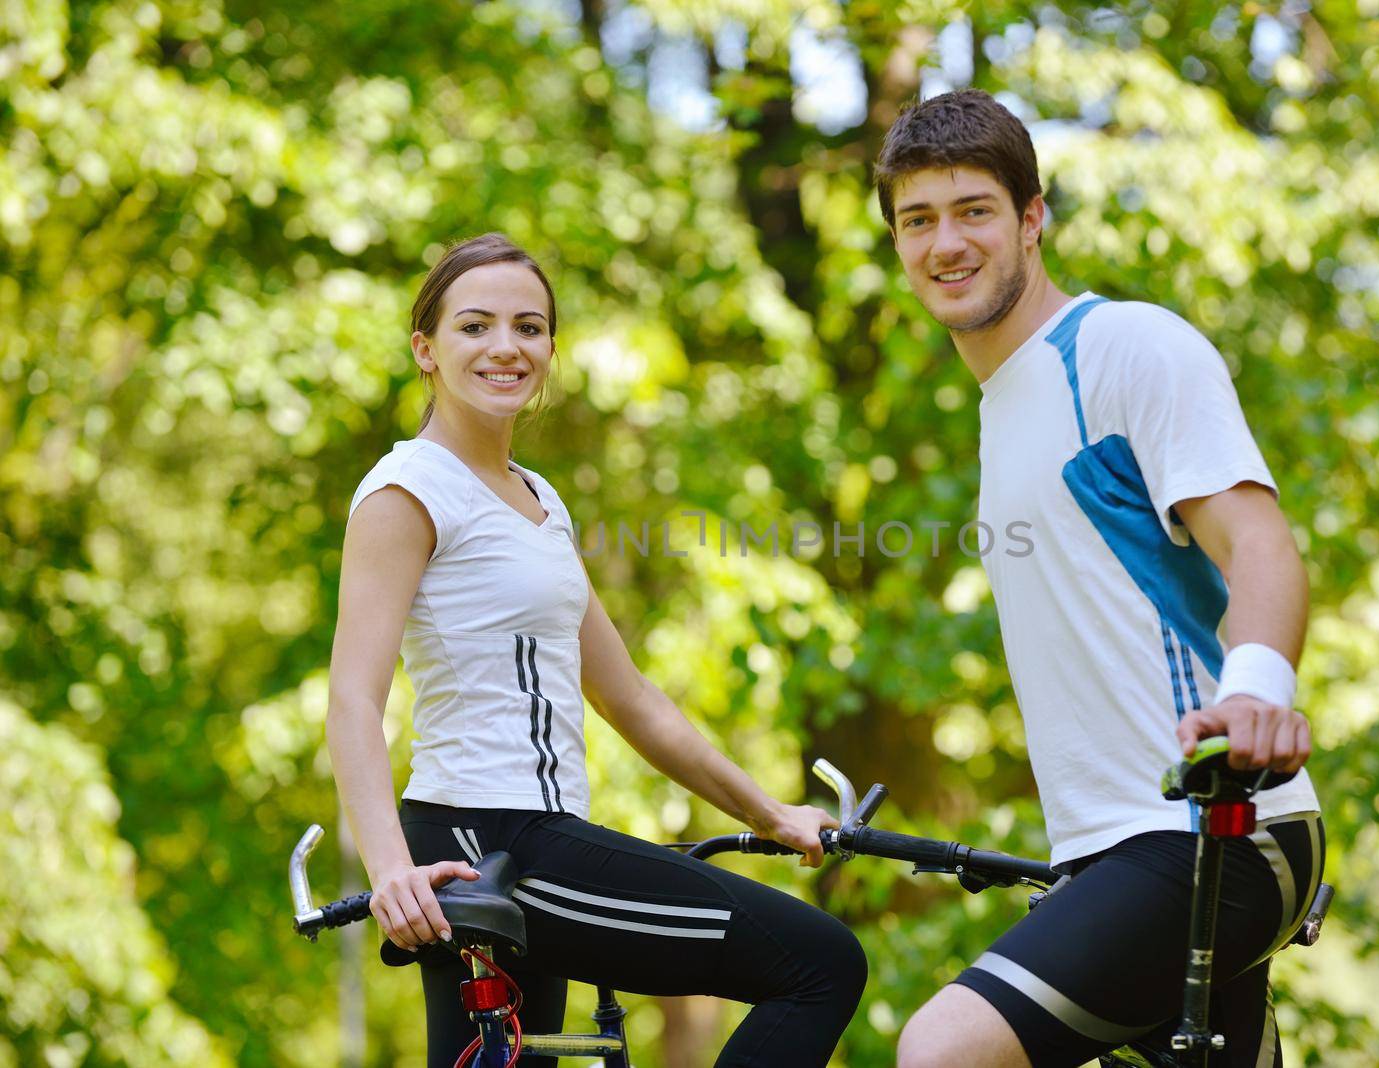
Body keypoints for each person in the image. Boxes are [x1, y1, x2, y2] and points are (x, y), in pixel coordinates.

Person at [325, 233, 866, 1068]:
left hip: (532, 837)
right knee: (820, 963)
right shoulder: (408, 491)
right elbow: (354, 698)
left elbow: (629, 698)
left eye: (529, 327)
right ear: (425, 350)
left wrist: (769, 814)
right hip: (485, 842)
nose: (506, 346)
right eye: (476, 326)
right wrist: (391, 869)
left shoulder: (539, 500)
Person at [873, 91, 1325, 1067]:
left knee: (940, 1051)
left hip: (1211, 828)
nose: (945, 242)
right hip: (1111, 850)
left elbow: (1259, 542)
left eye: (973, 211)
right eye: (918, 221)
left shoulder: (1120, 348)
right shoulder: (1003, 408)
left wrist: (1254, 696)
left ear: (1033, 219)